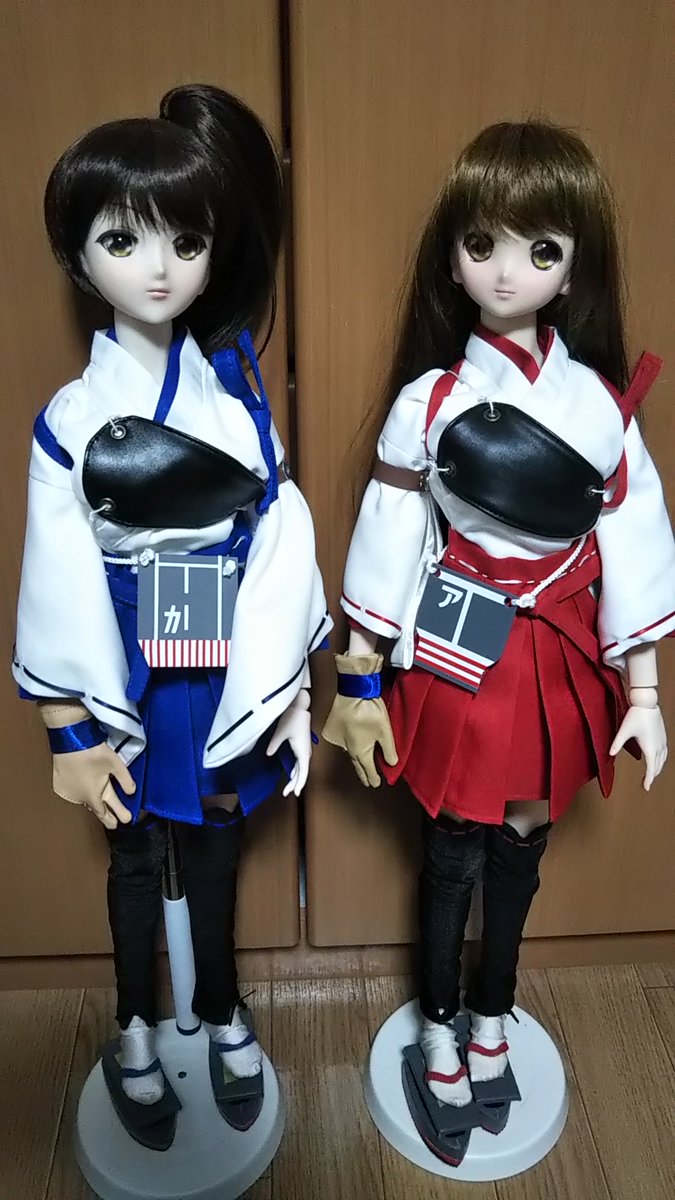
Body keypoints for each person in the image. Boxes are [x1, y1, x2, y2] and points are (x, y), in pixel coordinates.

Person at [324, 120, 674, 1112]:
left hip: (557, 643)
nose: (508, 271)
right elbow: (389, 536)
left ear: (571, 270)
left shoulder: (598, 404)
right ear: (454, 259)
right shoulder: (429, 403)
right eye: (483, 244)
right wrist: (359, 677)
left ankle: (493, 1009)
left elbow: (634, 540)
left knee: (524, 839)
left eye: (540, 249)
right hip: (460, 634)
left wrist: (644, 692)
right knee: (452, 842)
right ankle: (437, 1017)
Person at [13, 84, 331, 1143]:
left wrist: (289, 692)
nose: (157, 269)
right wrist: (68, 728)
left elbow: (278, 537)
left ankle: (223, 1007)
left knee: (218, 838)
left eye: (185, 242)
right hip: (119, 646)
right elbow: (56, 573)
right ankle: (135, 1023)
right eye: (123, 240)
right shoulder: (72, 419)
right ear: (79, 256)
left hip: (220, 640)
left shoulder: (233, 394)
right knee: (135, 848)